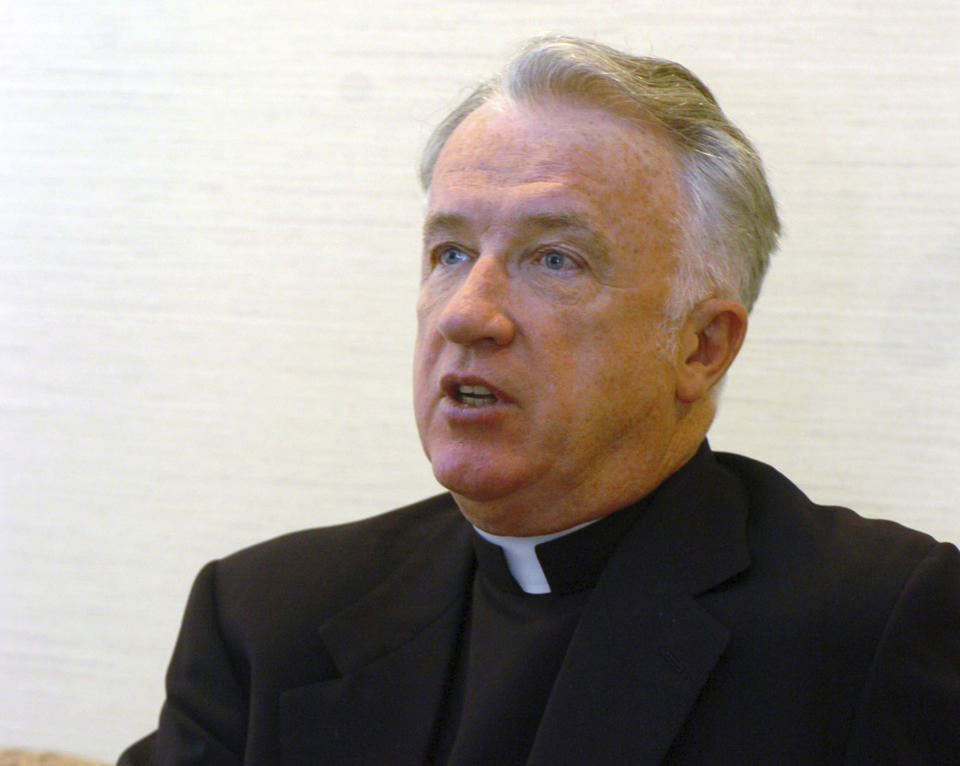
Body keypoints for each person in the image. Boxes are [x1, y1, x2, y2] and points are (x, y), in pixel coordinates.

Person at [119, 36, 960, 765]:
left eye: (554, 259)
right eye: (450, 251)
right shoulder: (268, 618)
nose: (467, 313)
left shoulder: (871, 626)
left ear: (702, 347)